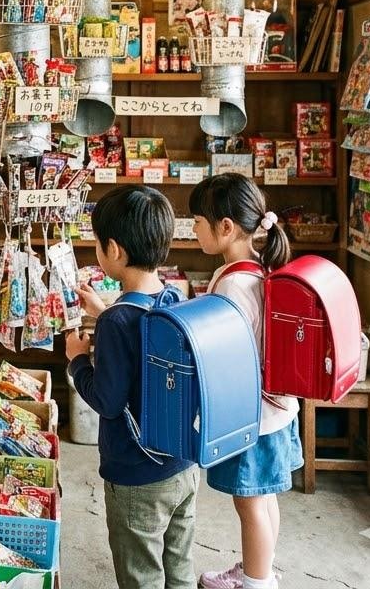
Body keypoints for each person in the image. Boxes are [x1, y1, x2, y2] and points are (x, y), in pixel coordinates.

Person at [65, 185, 199, 589]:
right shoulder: (174, 298)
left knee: (141, 574)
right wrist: (105, 310)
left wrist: (76, 360)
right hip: (182, 464)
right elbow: (144, 338)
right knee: (179, 567)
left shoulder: (116, 323)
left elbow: (107, 400)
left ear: (114, 250)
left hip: (136, 476)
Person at [190, 174, 302, 589]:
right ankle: (260, 570)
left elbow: (227, 355)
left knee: (249, 502)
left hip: (252, 417)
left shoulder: (234, 283)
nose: (194, 229)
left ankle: (256, 582)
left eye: (198, 221)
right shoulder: (259, 267)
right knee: (265, 498)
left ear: (225, 227)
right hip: (277, 409)